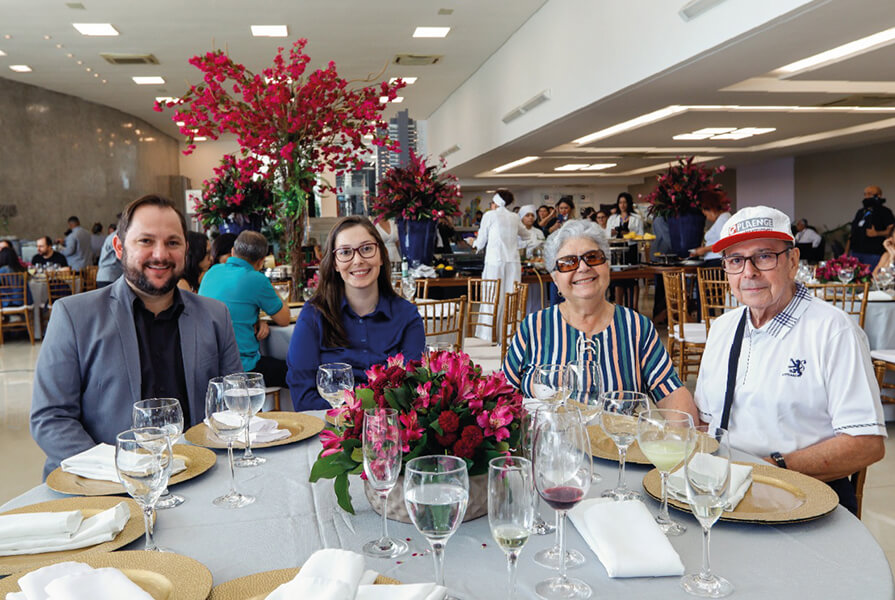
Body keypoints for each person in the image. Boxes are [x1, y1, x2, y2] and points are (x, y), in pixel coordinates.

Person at [690, 205, 885, 514]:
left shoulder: (833, 331)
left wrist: (769, 469)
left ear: (793, 261)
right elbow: (704, 420)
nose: (749, 272)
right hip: (724, 490)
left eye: (765, 256)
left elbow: (866, 442)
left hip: (805, 492)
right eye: (736, 260)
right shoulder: (723, 328)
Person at [31, 194, 243, 478]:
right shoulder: (74, 316)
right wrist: (120, 471)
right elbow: (51, 418)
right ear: (119, 247)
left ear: (185, 249)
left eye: (172, 242)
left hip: (197, 476)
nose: (160, 254)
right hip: (103, 488)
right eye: (145, 241)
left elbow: (232, 400)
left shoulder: (215, 315)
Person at [502, 219, 696, 419]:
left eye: (593, 257)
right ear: (554, 277)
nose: (583, 267)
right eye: (568, 262)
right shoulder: (534, 328)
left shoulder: (636, 327)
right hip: (548, 446)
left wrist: (684, 435)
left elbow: (671, 392)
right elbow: (502, 394)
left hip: (616, 447)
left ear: (607, 265)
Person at [286, 216, 425, 411]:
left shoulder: (407, 316)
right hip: (331, 428)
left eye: (367, 249)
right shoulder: (313, 315)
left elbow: (413, 389)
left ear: (382, 255)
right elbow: (302, 396)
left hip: (391, 429)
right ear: (335, 263)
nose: (358, 260)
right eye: (345, 252)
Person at [199, 230, 290, 386]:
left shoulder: (211, 272)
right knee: (298, 373)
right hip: (241, 369)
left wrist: (257, 319)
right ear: (261, 262)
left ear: (233, 252)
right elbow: (284, 319)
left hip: (208, 365)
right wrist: (268, 285)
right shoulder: (256, 279)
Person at [473, 189, 530, 341]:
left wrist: (474, 243)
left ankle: (488, 335)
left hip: (494, 262)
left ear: (496, 202)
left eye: (492, 202)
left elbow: (481, 240)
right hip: (513, 261)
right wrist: (515, 243)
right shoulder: (514, 217)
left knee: (492, 297)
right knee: (511, 297)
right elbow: (527, 235)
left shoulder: (489, 215)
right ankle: (509, 335)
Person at [847, 185, 895, 267]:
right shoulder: (860, 212)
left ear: (878, 195)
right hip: (856, 252)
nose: (867, 196)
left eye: (870, 193)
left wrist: (877, 233)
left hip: (873, 253)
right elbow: (852, 233)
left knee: (871, 277)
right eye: (865, 194)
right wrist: (846, 252)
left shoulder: (885, 212)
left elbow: (891, 232)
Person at [689, 190, 731, 268]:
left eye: (706, 214)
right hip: (714, 261)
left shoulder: (723, 218)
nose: (707, 218)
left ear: (711, 209)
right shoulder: (722, 219)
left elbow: (723, 243)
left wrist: (703, 250)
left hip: (716, 262)